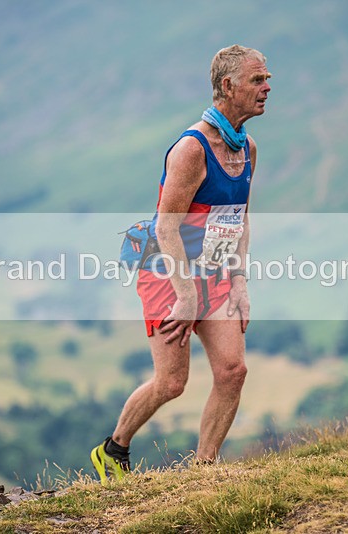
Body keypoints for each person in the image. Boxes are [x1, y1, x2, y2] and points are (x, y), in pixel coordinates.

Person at [91, 44, 271, 484]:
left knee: (233, 371)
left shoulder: (247, 147)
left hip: (216, 269)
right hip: (167, 271)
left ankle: (203, 472)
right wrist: (186, 295)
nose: (267, 88)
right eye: (257, 80)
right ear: (228, 87)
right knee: (172, 383)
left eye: (267, 79)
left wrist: (241, 281)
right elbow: (166, 229)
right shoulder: (192, 149)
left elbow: (240, 220)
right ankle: (112, 450)